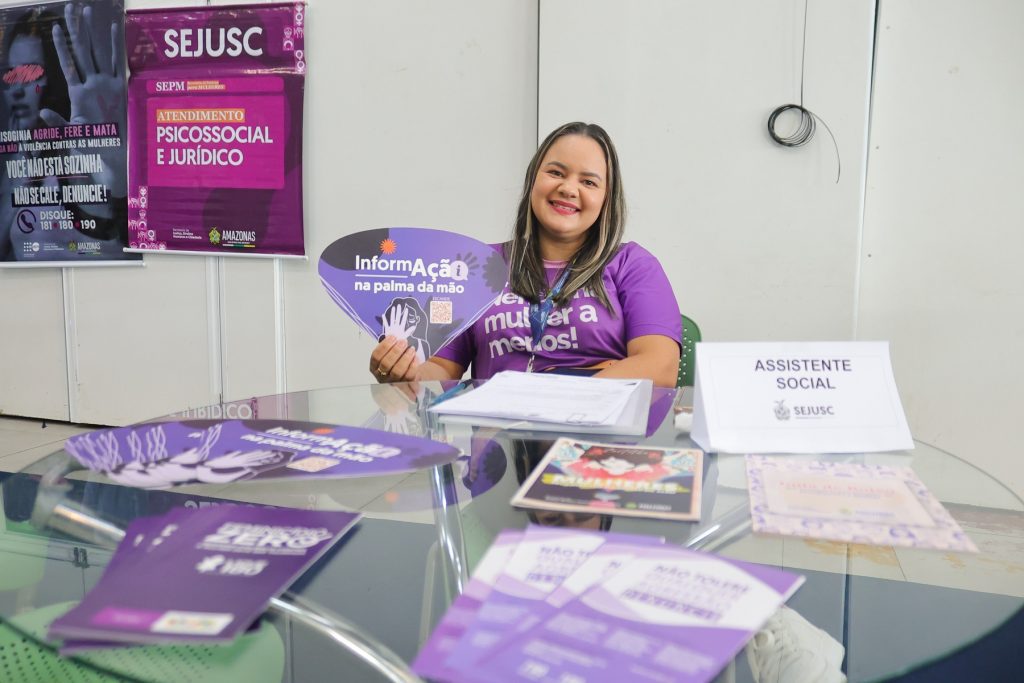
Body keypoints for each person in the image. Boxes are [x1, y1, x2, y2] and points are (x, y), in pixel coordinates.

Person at [369, 122, 682, 387]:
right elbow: (440, 370)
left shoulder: (633, 266)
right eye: (556, 172)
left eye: (588, 182)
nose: (569, 188)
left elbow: (660, 367)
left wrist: (553, 399)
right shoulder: (476, 268)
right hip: (498, 437)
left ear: (606, 199)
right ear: (533, 179)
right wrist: (404, 373)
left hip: (594, 436)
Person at [0, 3, 128, 261]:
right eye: (11, 75)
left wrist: (116, 164)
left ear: (56, 78)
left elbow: (110, 181)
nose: (17, 89)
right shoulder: (19, 153)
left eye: (31, 74)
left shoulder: (77, 150)